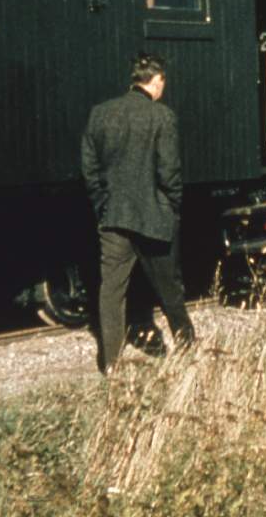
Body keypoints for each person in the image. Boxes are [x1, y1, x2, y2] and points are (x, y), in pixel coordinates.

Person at [81, 54, 195, 373]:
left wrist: (103, 204)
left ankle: (111, 365)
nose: (163, 89)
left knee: (111, 292)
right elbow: (169, 171)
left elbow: (89, 170)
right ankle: (188, 348)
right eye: (163, 83)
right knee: (169, 289)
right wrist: (172, 207)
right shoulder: (162, 117)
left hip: (114, 217)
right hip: (154, 217)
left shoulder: (100, 114)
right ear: (156, 80)